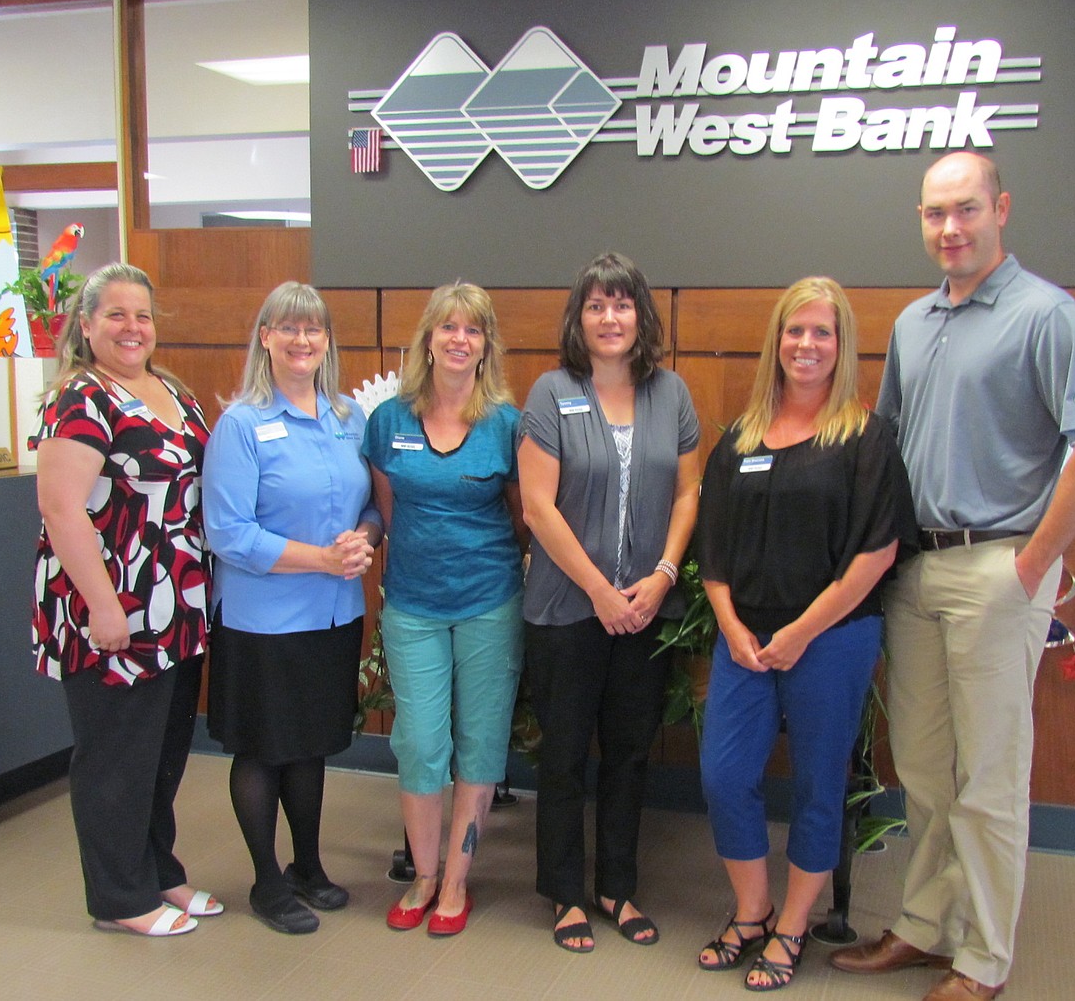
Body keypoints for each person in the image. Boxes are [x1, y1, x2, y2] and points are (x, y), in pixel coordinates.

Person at [829, 152, 1075, 1001]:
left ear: (1001, 206)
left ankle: (985, 958)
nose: (949, 229)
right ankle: (926, 927)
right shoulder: (916, 323)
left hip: (1000, 565)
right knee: (921, 768)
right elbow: (885, 448)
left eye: (965, 210)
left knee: (991, 778)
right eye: (933, 214)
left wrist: (1032, 565)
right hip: (915, 571)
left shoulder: (1048, 316)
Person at [694, 276, 918, 991]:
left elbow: (877, 552)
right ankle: (753, 911)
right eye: (796, 330)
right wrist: (731, 626)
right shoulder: (740, 440)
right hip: (744, 644)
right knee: (725, 776)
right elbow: (714, 550)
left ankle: (793, 928)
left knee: (819, 785)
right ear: (777, 341)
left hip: (832, 640)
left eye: (823, 332)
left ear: (842, 344)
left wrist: (800, 631)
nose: (807, 344)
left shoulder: (866, 439)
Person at [30, 262, 220, 937]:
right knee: (115, 756)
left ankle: (159, 871)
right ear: (86, 325)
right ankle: (119, 897)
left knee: (162, 750)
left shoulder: (170, 390)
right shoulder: (81, 399)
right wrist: (106, 606)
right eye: (116, 315)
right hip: (110, 609)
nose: (132, 328)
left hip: (176, 607)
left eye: (142, 315)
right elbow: (60, 507)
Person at [518, 252, 700, 953]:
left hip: (646, 610)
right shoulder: (551, 391)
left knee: (628, 753)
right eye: (596, 305)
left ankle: (616, 887)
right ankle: (564, 892)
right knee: (564, 754)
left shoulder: (671, 394)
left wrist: (659, 576)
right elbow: (537, 506)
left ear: (641, 315)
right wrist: (599, 590)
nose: (610, 318)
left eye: (622, 304)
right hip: (568, 611)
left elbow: (688, 493)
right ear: (579, 317)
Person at [203, 281, 382, 935]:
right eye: (288, 328)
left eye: (313, 329)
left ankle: (308, 866)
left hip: (332, 617)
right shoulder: (241, 424)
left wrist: (364, 538)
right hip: (263, 623)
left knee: (310, 748)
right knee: (262, 751)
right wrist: (322, 559)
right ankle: (266, 880)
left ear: (327, 340)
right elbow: (228, 534)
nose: (302, 340)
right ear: (266, 338)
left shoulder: (347, 418)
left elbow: (369, 505)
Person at [363, 282, 526, 937]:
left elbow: (521, 523)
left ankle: (457, 880)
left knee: (480, 745)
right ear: (427, 338)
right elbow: (386, 511)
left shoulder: (507, 425)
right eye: (449, 327)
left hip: (490, 603)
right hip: (412, 605)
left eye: (474, 330)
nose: (460, 339)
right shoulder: (390, 422)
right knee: (421, 743)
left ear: (486, 346)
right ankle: (424, 874)